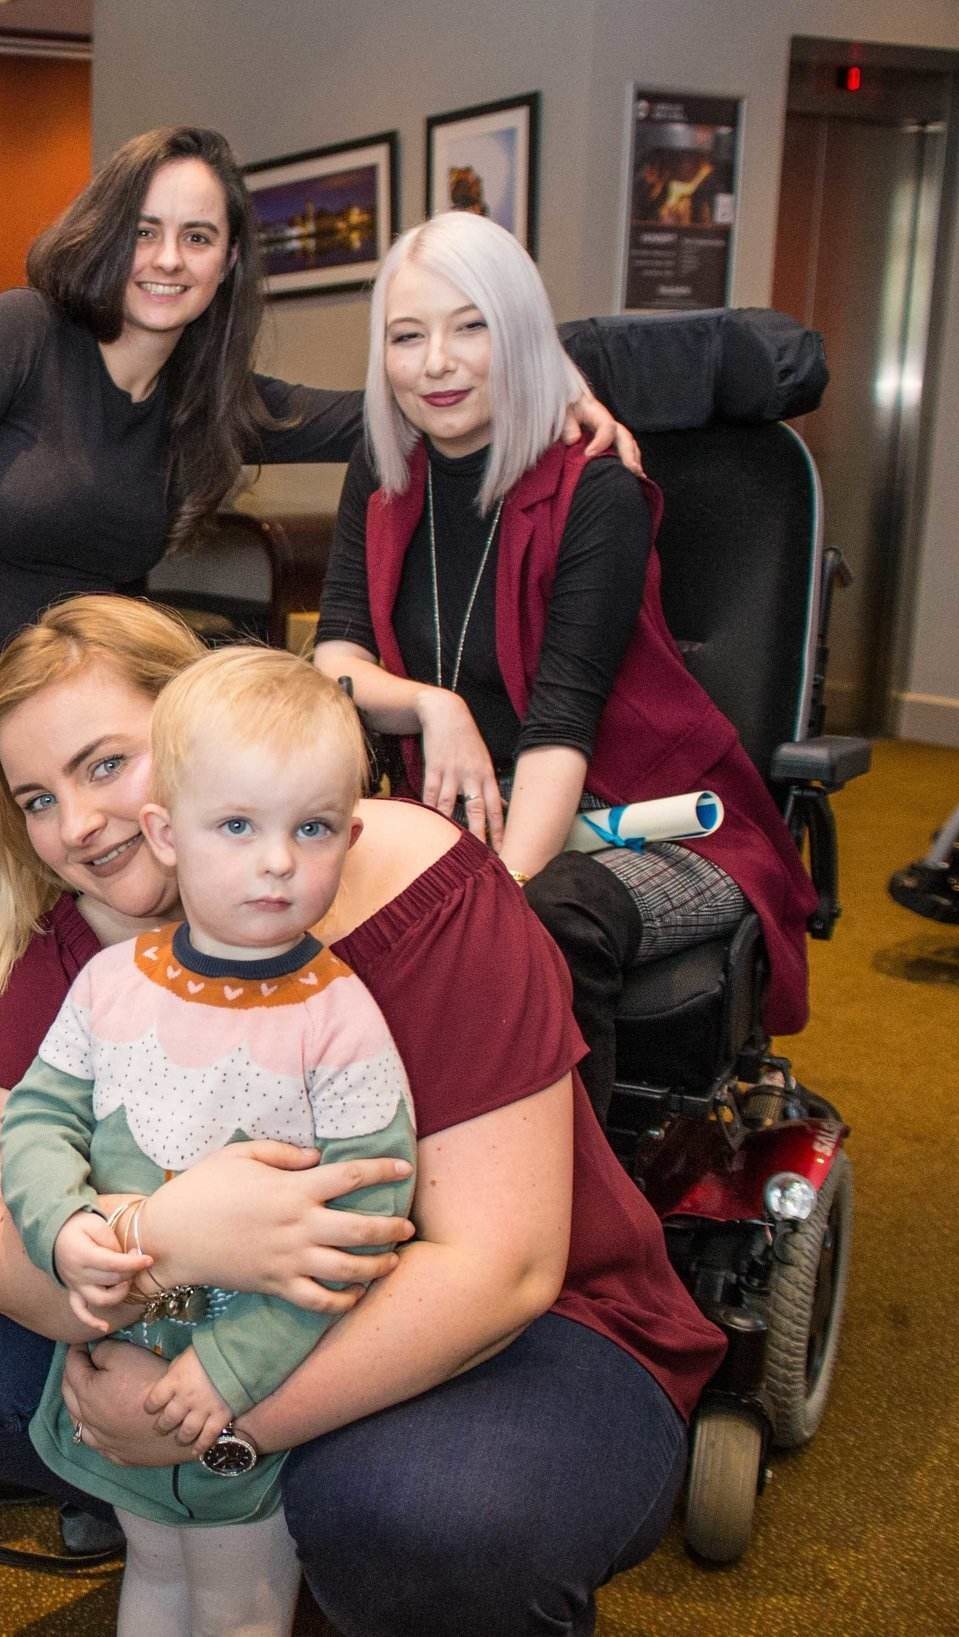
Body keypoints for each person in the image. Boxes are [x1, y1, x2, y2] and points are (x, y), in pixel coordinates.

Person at [0, 596, 726, 1637]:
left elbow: (497, 1267)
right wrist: (159, 1243)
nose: (80, 826)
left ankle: (290, 1512)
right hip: (199, 1312)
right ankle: (239, 1518)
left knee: (409, 1509)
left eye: (106, 764)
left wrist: (204, 1413)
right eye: (38, 798)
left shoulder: (416, 886)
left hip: (523, 1327)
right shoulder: (73, 941)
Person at [311, 210, 817, 1120]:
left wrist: (481, 892)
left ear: (520, 339)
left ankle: (569, 1224)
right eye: (407, 336)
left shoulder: (597, 489)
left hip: (650, 822)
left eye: (472, 328)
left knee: (533, 921)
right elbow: (335, 660)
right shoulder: (384, 476)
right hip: (462, 806)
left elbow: (560, 727)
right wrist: (432, 705)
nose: (437, 363)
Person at [0, 645, 413, 1637]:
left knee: (238, 1595)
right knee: (152, 1570)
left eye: (310, 828)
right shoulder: (109, 984)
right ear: (167, 832)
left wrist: (232, 1369)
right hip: (124, 1350)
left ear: (348, 834)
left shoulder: (341, 1017)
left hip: (248, 1375)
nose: (277, 860)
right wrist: (64, 1230)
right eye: (238, 825)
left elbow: (367, 1221)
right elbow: (37, 1118)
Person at [0, 126, 635, 659]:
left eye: (198, 238)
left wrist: (549, 371)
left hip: (82, 710)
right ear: (107, 233)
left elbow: (384, 407)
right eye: (144, 232)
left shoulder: (210, 403)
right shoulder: (24, 333)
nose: (168, 260)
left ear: (228, 260)